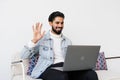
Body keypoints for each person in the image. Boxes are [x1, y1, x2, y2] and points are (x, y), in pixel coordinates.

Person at [20, 11, 98, 80]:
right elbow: (23, 55)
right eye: (57, 23)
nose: (60, 25)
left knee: (91, 74)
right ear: (50, 23)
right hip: (48, 68)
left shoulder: (68, 41)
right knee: (62, 77)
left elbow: (71, 59)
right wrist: (34, 40)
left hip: (65, 68)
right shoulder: (42, 39)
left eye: (62, 23)